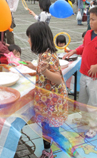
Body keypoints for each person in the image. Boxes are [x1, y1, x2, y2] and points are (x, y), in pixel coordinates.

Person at [64, 7, 97, 138]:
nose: (90, 22)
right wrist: (75, 51)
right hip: (84, 73)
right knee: (83, 101)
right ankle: (85, 119)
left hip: (96, 78)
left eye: (93, 19)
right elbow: (85, 47)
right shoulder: (88, 33)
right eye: (89, 19)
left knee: (93, 103)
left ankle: (94, 126)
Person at [23, 22, 70, 158]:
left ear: (38, 39)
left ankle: (53, 151)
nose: (28, 40)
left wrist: (44, 72)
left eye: (30, 37)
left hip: (52, 101)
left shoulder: (46, 56)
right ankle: (48, 149)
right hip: (49, 99)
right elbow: (46, 71)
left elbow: (57, 79)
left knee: (50, 129)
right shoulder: (46, 53)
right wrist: (34, 67)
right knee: (48, 127)